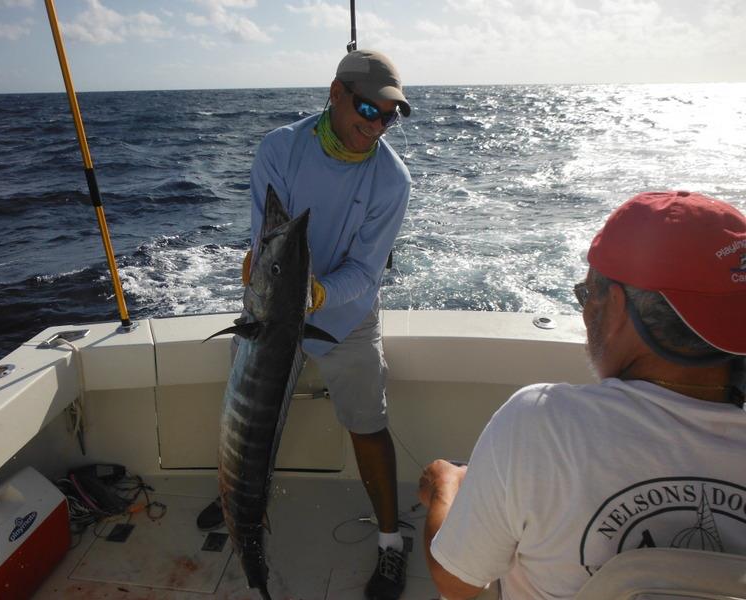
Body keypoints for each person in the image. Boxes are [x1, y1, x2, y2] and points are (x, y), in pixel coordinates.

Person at [418, 190, 746, 599]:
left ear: (618, 306)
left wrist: (446, 487)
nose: (585, 310)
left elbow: (457, 582)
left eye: (587, 294)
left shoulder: (539, 424)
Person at [197, 49, 412, 599]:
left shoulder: (393, 179)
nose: (377, 124)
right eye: (368, 107)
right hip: (267, 316)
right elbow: (268, 238)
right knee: (243, 422)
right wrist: (273, 280)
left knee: (368, 423)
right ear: (336, 92)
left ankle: (391, 543)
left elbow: (365, 271)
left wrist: (317, 292)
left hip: (345, 316)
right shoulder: (281, 148)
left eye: (390, 115)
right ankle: (233, 499)